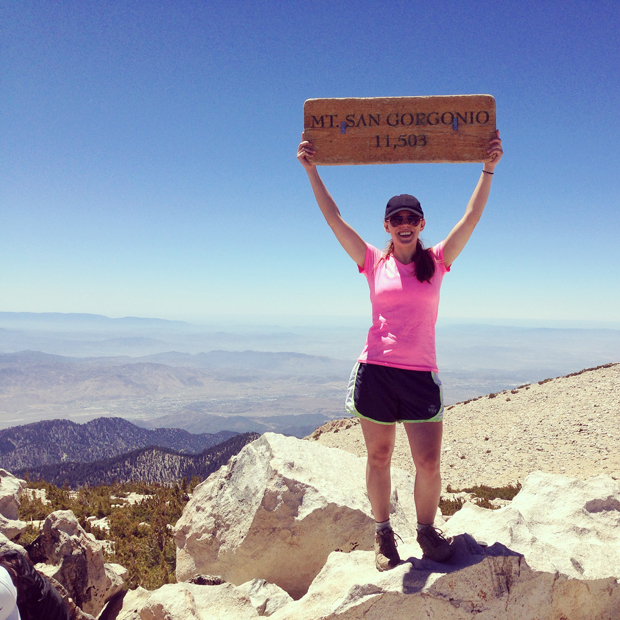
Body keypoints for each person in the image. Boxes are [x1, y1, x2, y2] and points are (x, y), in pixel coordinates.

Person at [297, 130, 503, 570]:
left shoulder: (440, 263)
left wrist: (488, 169)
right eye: (397, 218)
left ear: (421, 223)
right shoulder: (373, 261)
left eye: (412, 216)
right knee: (379, 455)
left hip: (419, 374)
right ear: (387, 226)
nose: (405, 222)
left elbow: (471, 218)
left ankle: (427, 532)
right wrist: (312, 171)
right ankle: (383, 534)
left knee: (428, 462)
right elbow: (335, 219)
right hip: (376, 370)